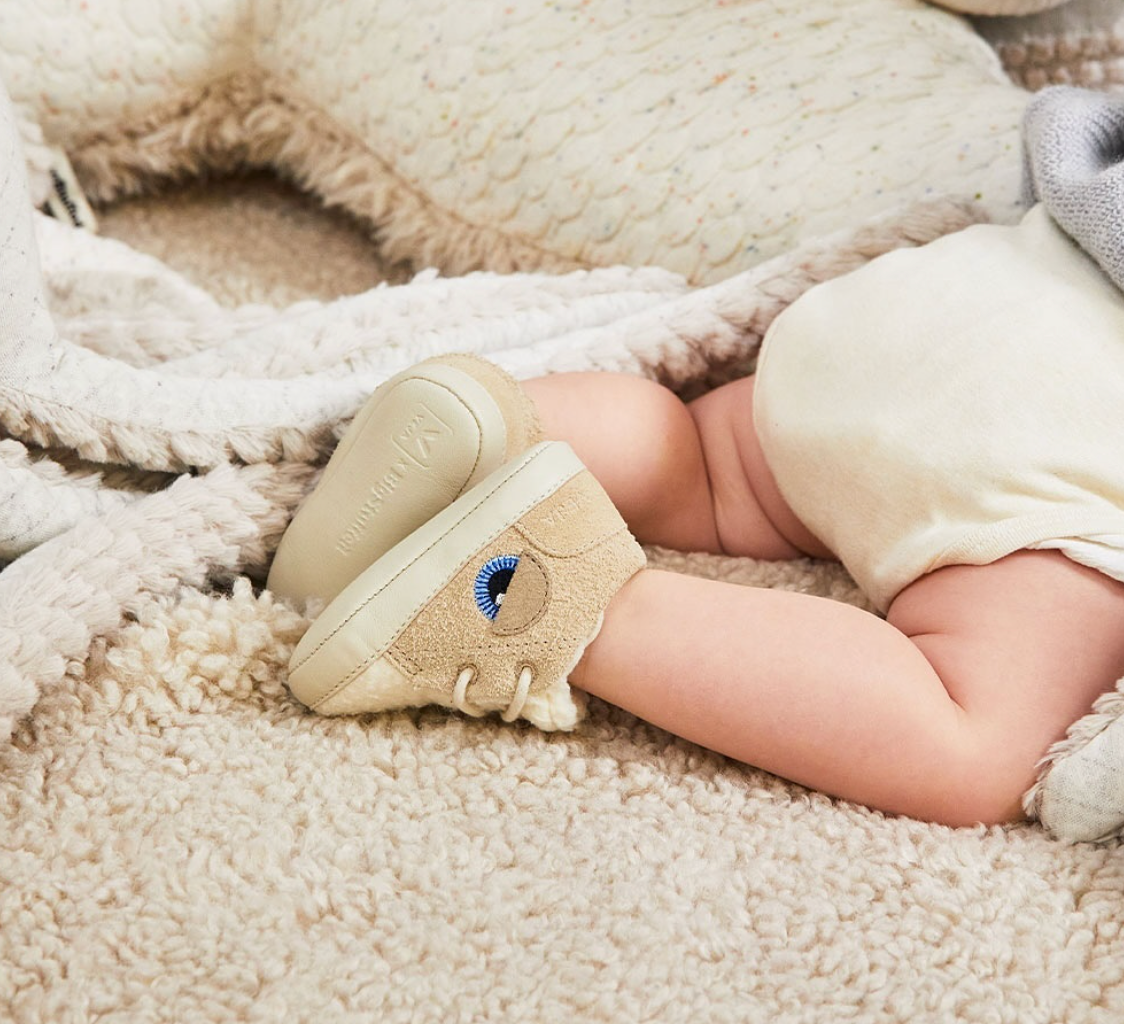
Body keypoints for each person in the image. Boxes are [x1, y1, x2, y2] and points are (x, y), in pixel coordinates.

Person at [268, 194, 1124, 832]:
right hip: (1066, 412)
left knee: (711, 471)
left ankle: (506, 427)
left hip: (949, 296)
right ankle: (533, 588)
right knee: (978, 740)